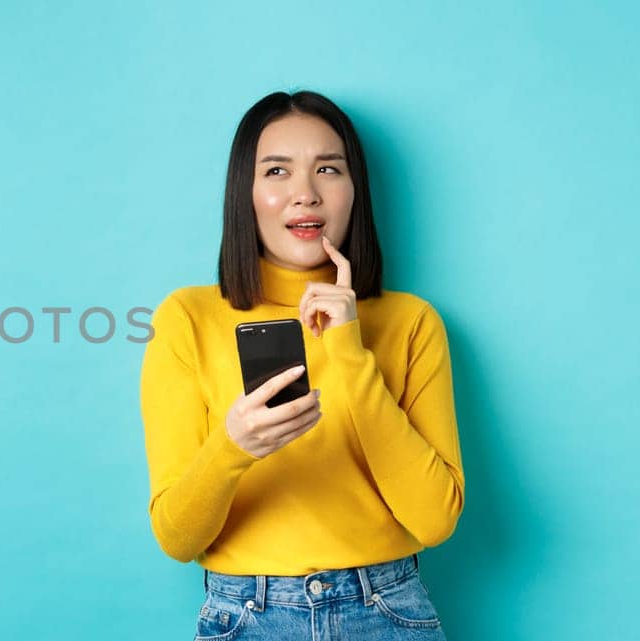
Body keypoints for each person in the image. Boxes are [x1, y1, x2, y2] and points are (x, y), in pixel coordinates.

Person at [139, 90, 464, 640]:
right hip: (246, 613)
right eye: (277, 171)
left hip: (386, 611)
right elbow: (177, 538)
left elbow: (435, 520)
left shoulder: (411, 321)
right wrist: (233, 447)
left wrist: (349, 351)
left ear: (353, 191)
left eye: (328, 170)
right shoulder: (186, 318)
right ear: (246, 193)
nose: (305, 194)